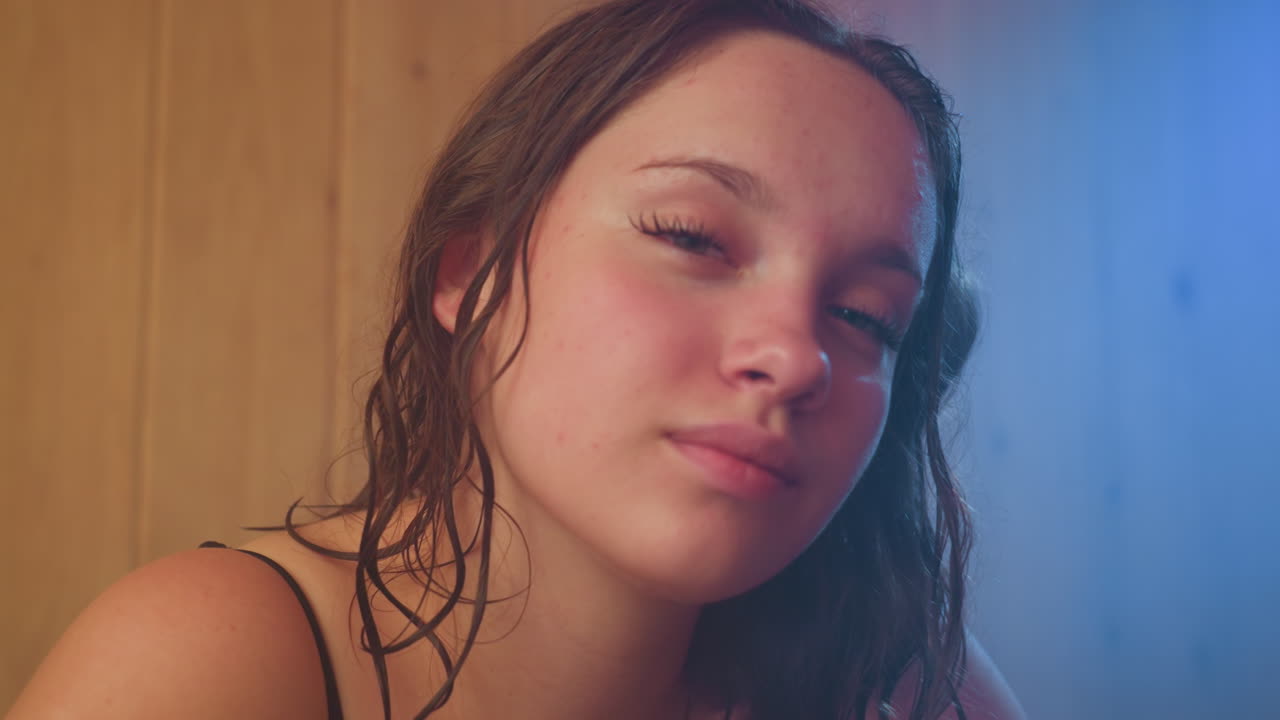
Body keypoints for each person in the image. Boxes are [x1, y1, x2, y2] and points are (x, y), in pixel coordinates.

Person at [8, 1, 1027, 718]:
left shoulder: (904, 683)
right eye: (691, 236)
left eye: (863, 316)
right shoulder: (218, 660)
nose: (795, 356)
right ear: (469, 273)